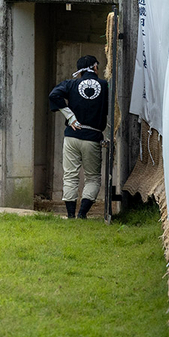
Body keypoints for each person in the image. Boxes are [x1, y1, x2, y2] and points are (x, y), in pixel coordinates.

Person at [48, 55, 109, 219]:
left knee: (70, 176)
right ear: (95, 67)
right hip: (92, 137)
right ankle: (82, 214)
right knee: (93, 178)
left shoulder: (72, 83)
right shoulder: (105, 85)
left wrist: (70, 116)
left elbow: (54, 95)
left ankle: (70, 215)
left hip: (72, 136)